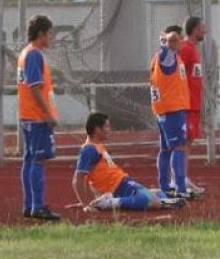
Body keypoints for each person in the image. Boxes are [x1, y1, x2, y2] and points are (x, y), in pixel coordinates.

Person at [70, 113, 185, 212]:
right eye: (107, 126)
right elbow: (78, 180)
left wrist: (89, 201)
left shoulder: (98, 146)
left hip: (122, 183)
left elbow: (90, 178)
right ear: (97, 129)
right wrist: (85, 204)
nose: (109, 130)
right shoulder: (89, 149)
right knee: (152, 201)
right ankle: (108, 203)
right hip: (118, 187)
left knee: (160, 194)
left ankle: (111, 201)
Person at [17, 15, 60, 220]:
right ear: (41, 34)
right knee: (39, 160)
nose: (51, 37)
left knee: (30, 159)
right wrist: (48, 113)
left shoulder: (26, 53)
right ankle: (37, 205)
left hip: (27, 115)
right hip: (36, 117)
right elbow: (35, 87)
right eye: (50, 33)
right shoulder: (34, 55)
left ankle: (29, 204)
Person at [151, 30, 191, 198]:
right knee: (179, 146)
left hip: (164, 109)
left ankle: (165, 186)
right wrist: (170, 39)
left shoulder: (164, 58)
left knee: (166, 149)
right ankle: (180, 188)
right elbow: (169, 44)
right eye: (178, 39)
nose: (181, 41)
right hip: (172, 109)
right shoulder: (167, 57)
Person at [178, 17, 206, 195]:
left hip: (194, 104)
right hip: (187, 105)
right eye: (202, 27)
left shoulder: (193, 49)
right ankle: (180, 179)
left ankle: (183, 177)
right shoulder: (186, 49)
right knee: (184, 142)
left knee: (189, 142)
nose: (205, 30)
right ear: (195, 29)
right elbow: (176, 73)